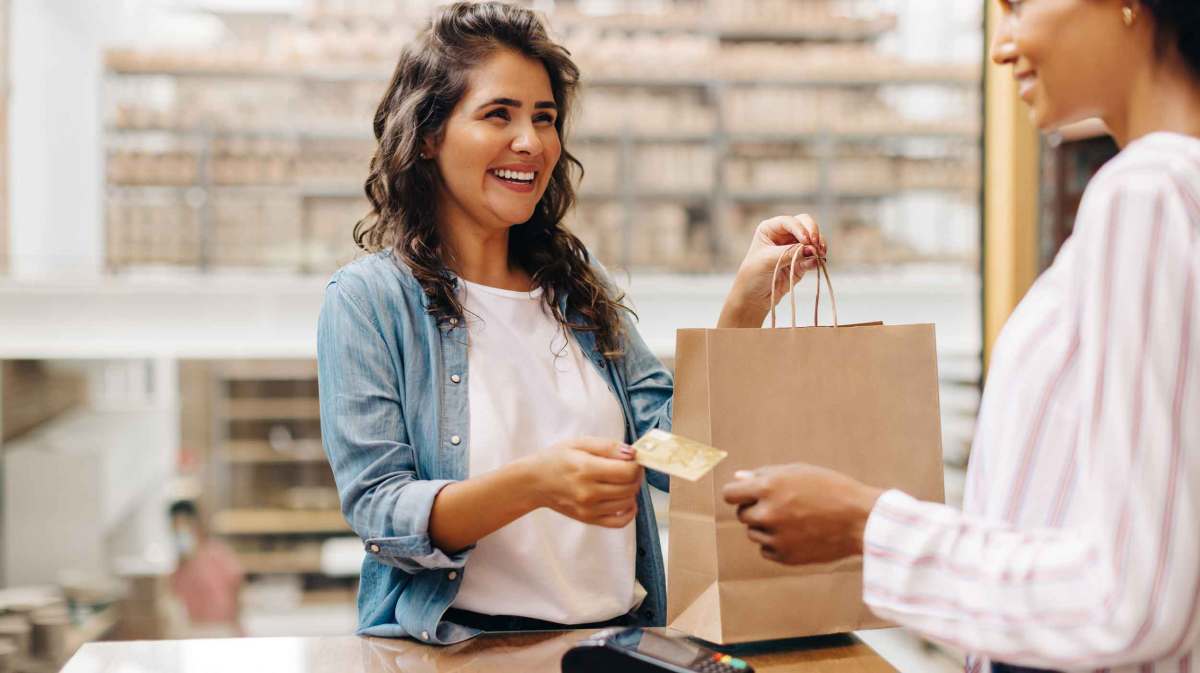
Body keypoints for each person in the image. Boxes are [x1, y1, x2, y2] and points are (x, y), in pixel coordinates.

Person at [316, 1, 827, 645]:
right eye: (498, 114)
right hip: (463, 651)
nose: (531, 142)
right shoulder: (368, 301)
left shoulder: (577, 287)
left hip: (616, 644)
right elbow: (379, 510)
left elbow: (676, 456)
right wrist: (535, 483)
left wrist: (746, 305)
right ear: (429, 134)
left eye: (545, 118)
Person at [722, 1, 1200, 672]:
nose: (1001, 46)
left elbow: (1129, 601)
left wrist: (865, 522)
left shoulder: (1146, 193)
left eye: (1017, 6)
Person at [168, 500, 245, 637]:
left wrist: (236, 623)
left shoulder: (217, 553)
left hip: (222, 627)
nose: (181, 530)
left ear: (196, 523)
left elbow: (237, 586)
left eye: (185, 524)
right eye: (176, 525)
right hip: (195, 629)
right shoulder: (178, 565)